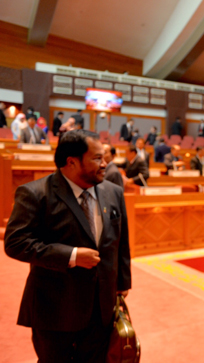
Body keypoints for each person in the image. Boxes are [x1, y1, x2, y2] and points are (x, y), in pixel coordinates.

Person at [4, 129, 131, 362]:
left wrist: (122, 284)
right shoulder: (35, 193)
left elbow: (121, 242)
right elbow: (15, 242)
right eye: (96, 158)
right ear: (71, 162)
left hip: (101, 308)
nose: (105, 164)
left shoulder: (113, 192)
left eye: (104, 157)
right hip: (55, 310)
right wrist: (70, 255)